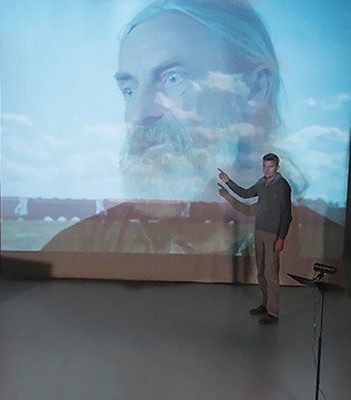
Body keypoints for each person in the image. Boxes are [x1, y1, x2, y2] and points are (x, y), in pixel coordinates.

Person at [114, 0, 305, 201]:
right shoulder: (101, 228)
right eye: (129, 90)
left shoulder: (306, 227)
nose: (139, 114)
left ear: (254, 89)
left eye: (173, 78)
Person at [218, 153, 292, 324]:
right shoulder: (261, 183)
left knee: (271, 273)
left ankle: (273, 312)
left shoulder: (282, 186)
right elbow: (245, 194)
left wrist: (281, 237)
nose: (267, 169)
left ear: (277, 168)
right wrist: (228, 182)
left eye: (270, 166)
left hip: (273, 234)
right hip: (259, 231)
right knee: (261, 272)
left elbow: (287, 215)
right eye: (264, 166)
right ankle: (265, 304)